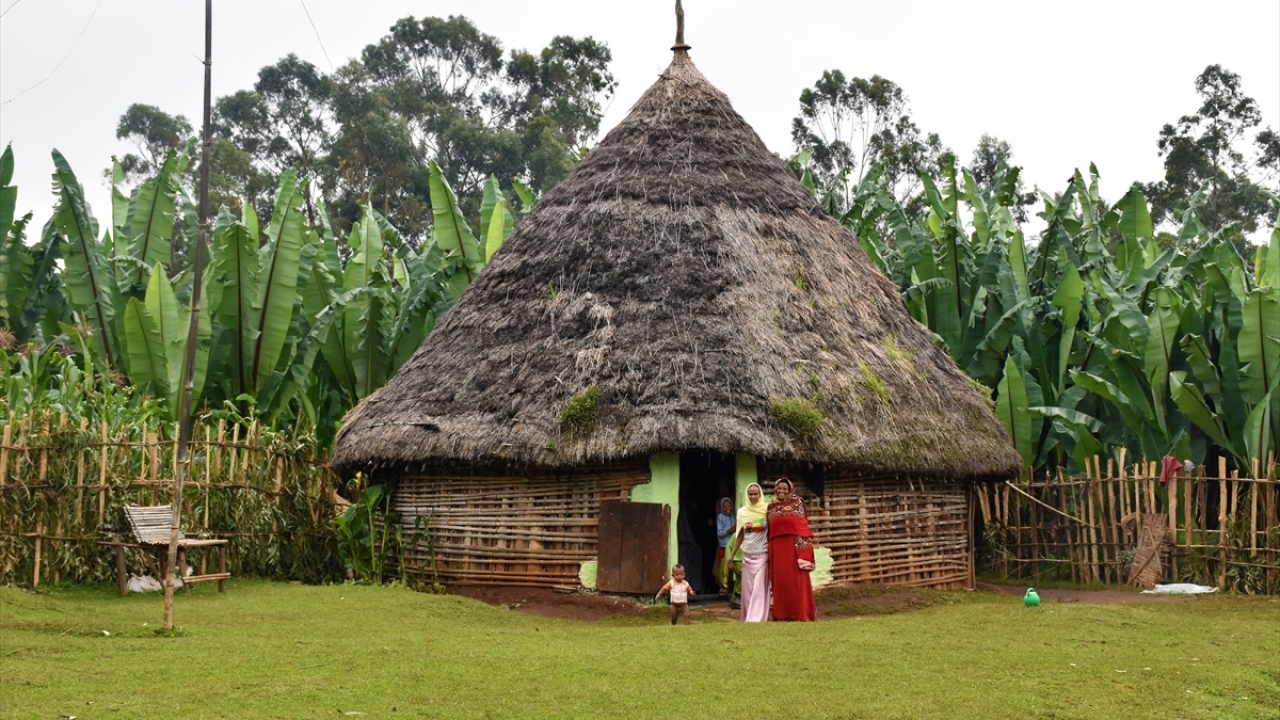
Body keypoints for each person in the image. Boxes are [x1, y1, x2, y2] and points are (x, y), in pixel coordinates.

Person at [767, 478, 816, 621]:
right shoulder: (771, 506)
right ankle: (781, 614)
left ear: (790, 490)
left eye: (785, 489)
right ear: (775, 490)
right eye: (779, 489)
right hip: (777, 548)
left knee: (796, 581)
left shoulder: (797, 503)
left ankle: (800, 614)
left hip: (793, 547)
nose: (782, 491)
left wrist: (803, 550)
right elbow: (769, 529)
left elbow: (801, 526)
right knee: (780, 582)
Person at [727, 483, 770, 622]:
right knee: (748, 590)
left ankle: (756, 618)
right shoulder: (742, 512)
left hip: (762, 554)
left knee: (759, 587)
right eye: (750, 494)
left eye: (755, 494)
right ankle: (749, 617)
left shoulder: (767, 510)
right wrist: (732, 555)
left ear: (760, 494)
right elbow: (740, 536)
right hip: (747, 555)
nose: (753, 496)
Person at [713, 497, 737, 596]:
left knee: (735, 566)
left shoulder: (735, 516)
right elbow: (719, 533)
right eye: (725, 507)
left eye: (729, 506)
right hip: (724, 546)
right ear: (722, 508)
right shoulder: (720, 517)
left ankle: (733, 588)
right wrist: (729, 531)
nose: (728, 508)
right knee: (724, 566)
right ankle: (723, 588)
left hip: (734, 546)